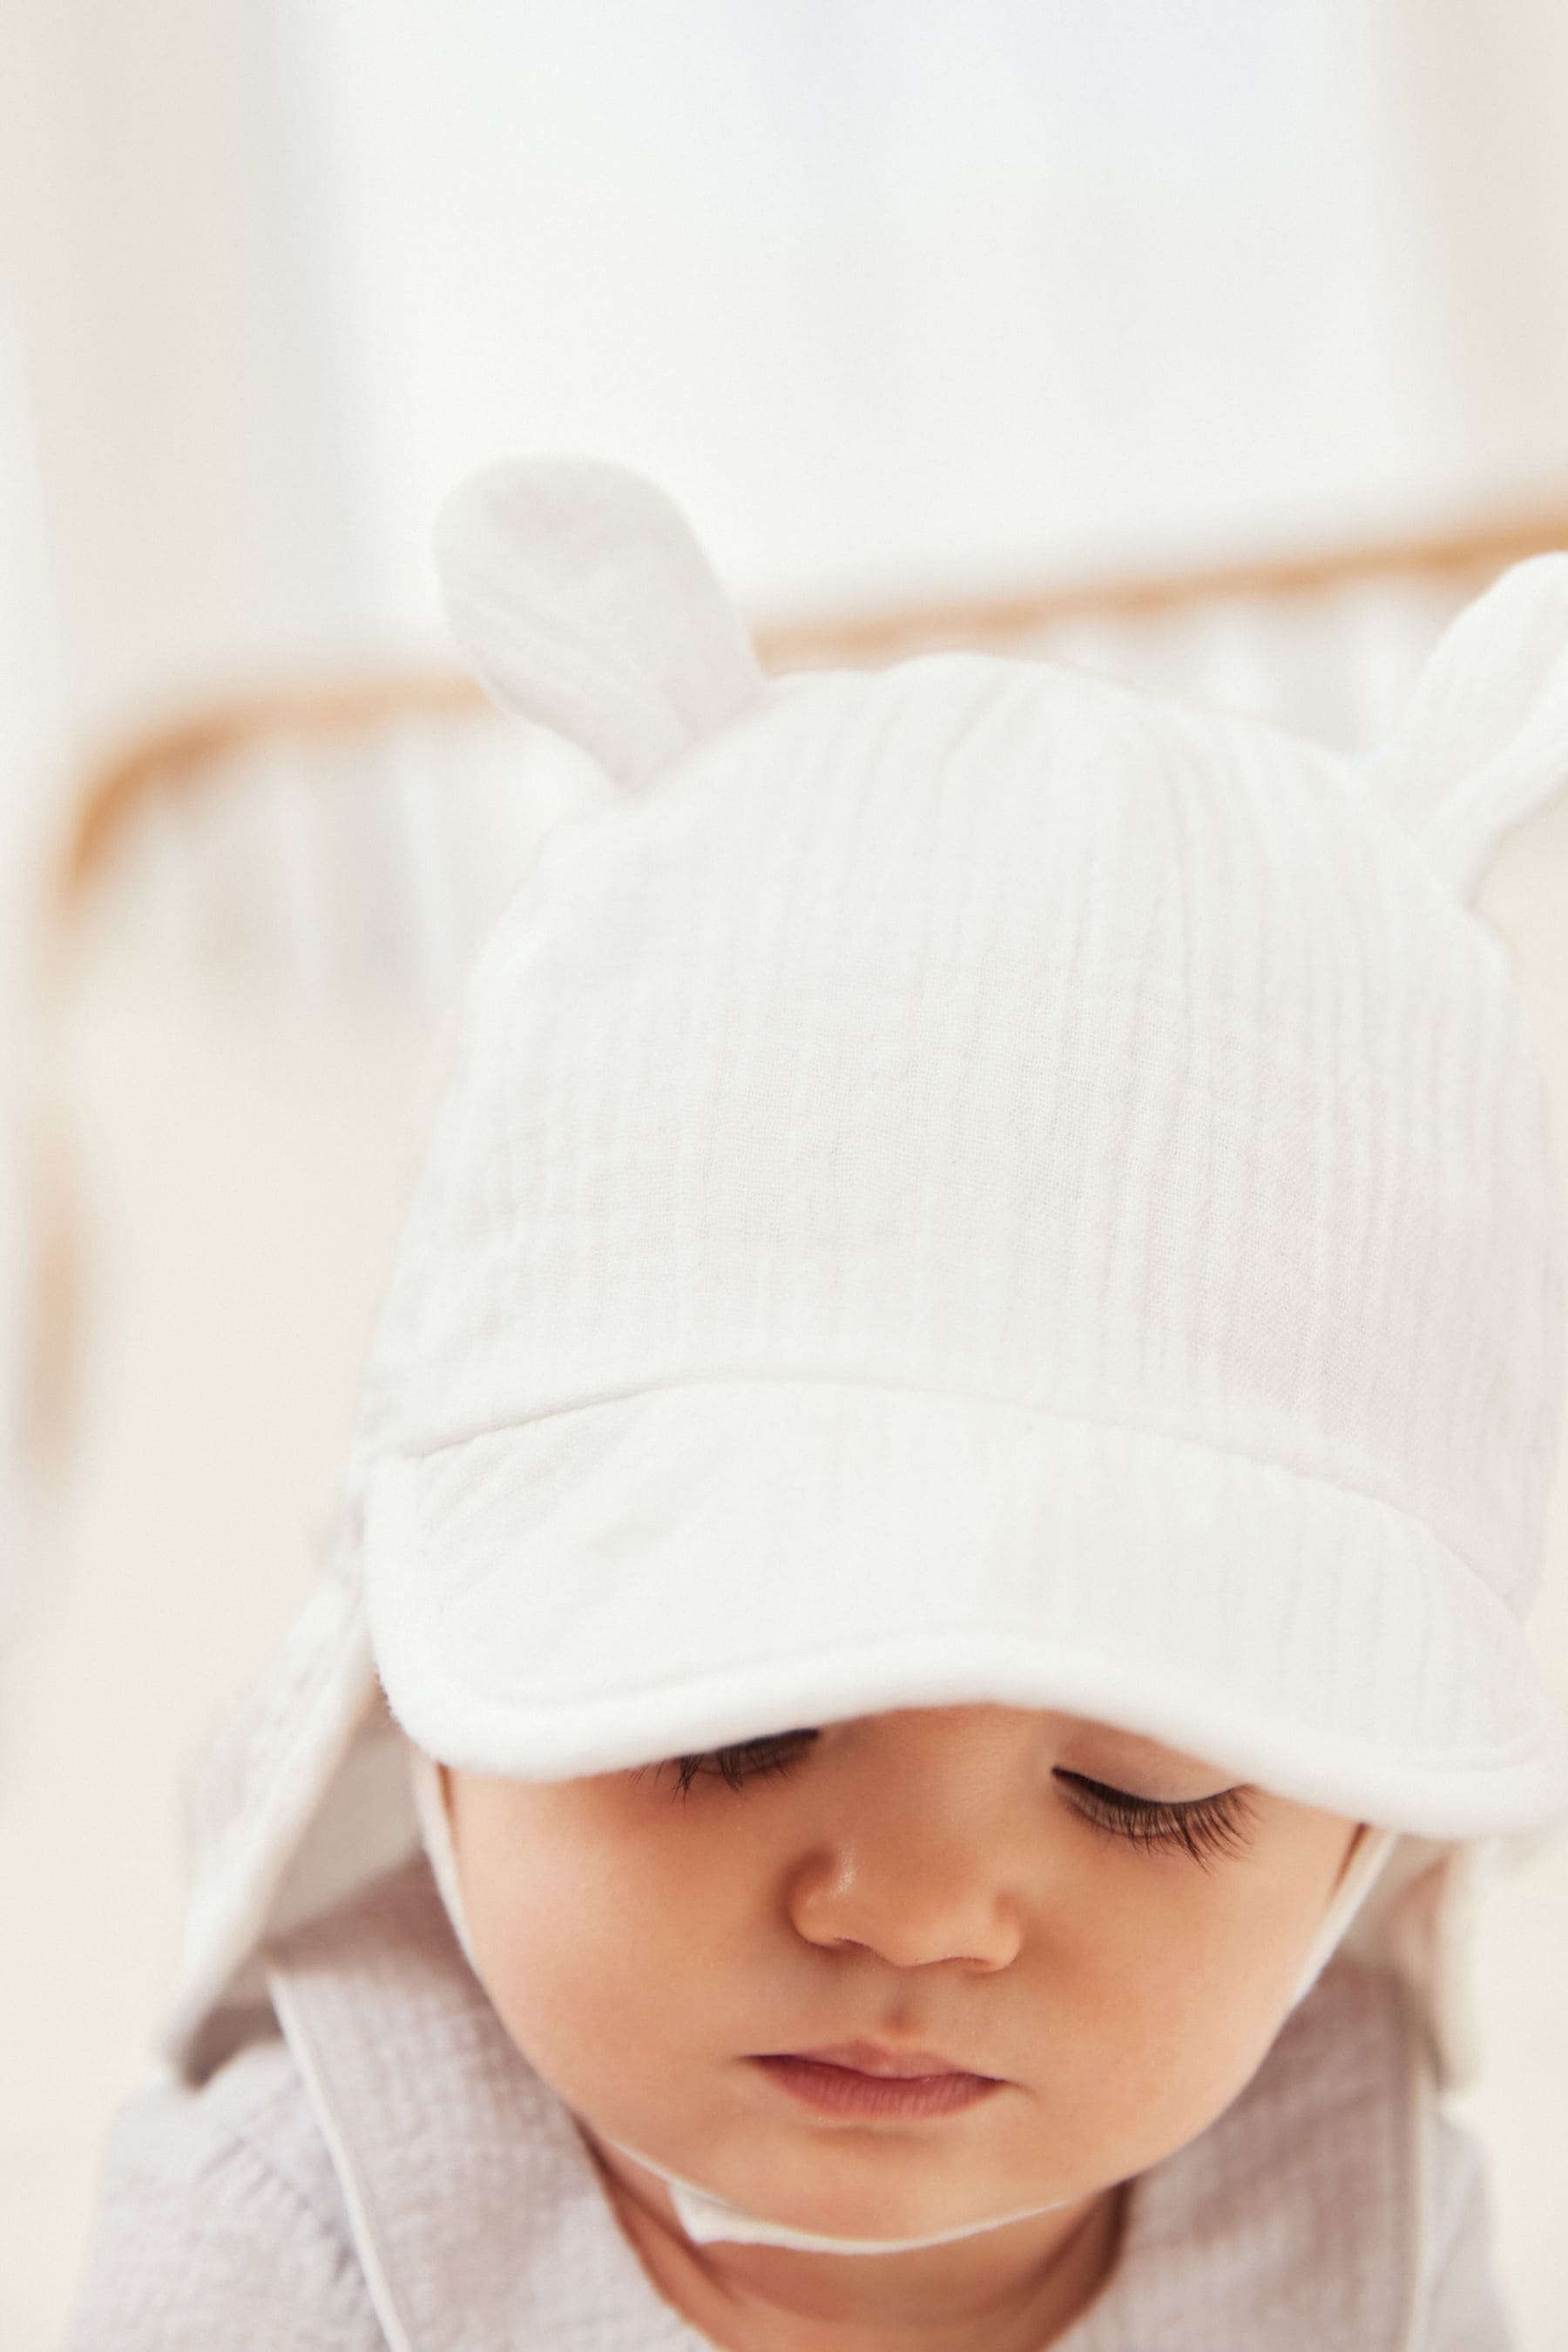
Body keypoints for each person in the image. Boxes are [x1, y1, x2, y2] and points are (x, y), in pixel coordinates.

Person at [64, 456, 1568, 2349]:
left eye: (1148, 1792)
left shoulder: (1367, 2223)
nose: (919, 1911)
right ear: (427, 1684)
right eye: (731, 1729)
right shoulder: (305, 2223)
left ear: (1365, 1839)